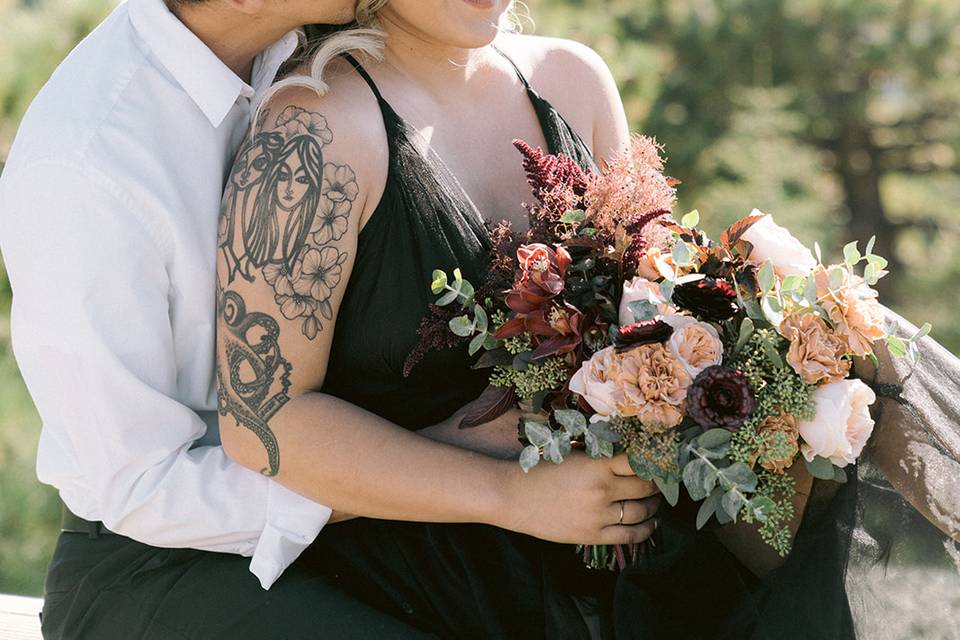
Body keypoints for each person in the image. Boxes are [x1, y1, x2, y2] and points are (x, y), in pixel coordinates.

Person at [214, 1, 960, 639]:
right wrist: (510, 496)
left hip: (638, 523)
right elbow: (262, 421)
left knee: (825, 318)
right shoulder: (313, 132)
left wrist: (751, 297)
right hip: (439, 563)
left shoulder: (573, 79)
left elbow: (656, 298)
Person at [0, 0, 660, 638]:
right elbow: (142, 484)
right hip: (164, 561)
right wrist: (483, 472)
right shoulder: (87, 162)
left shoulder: (289, 46)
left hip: (404, 517)